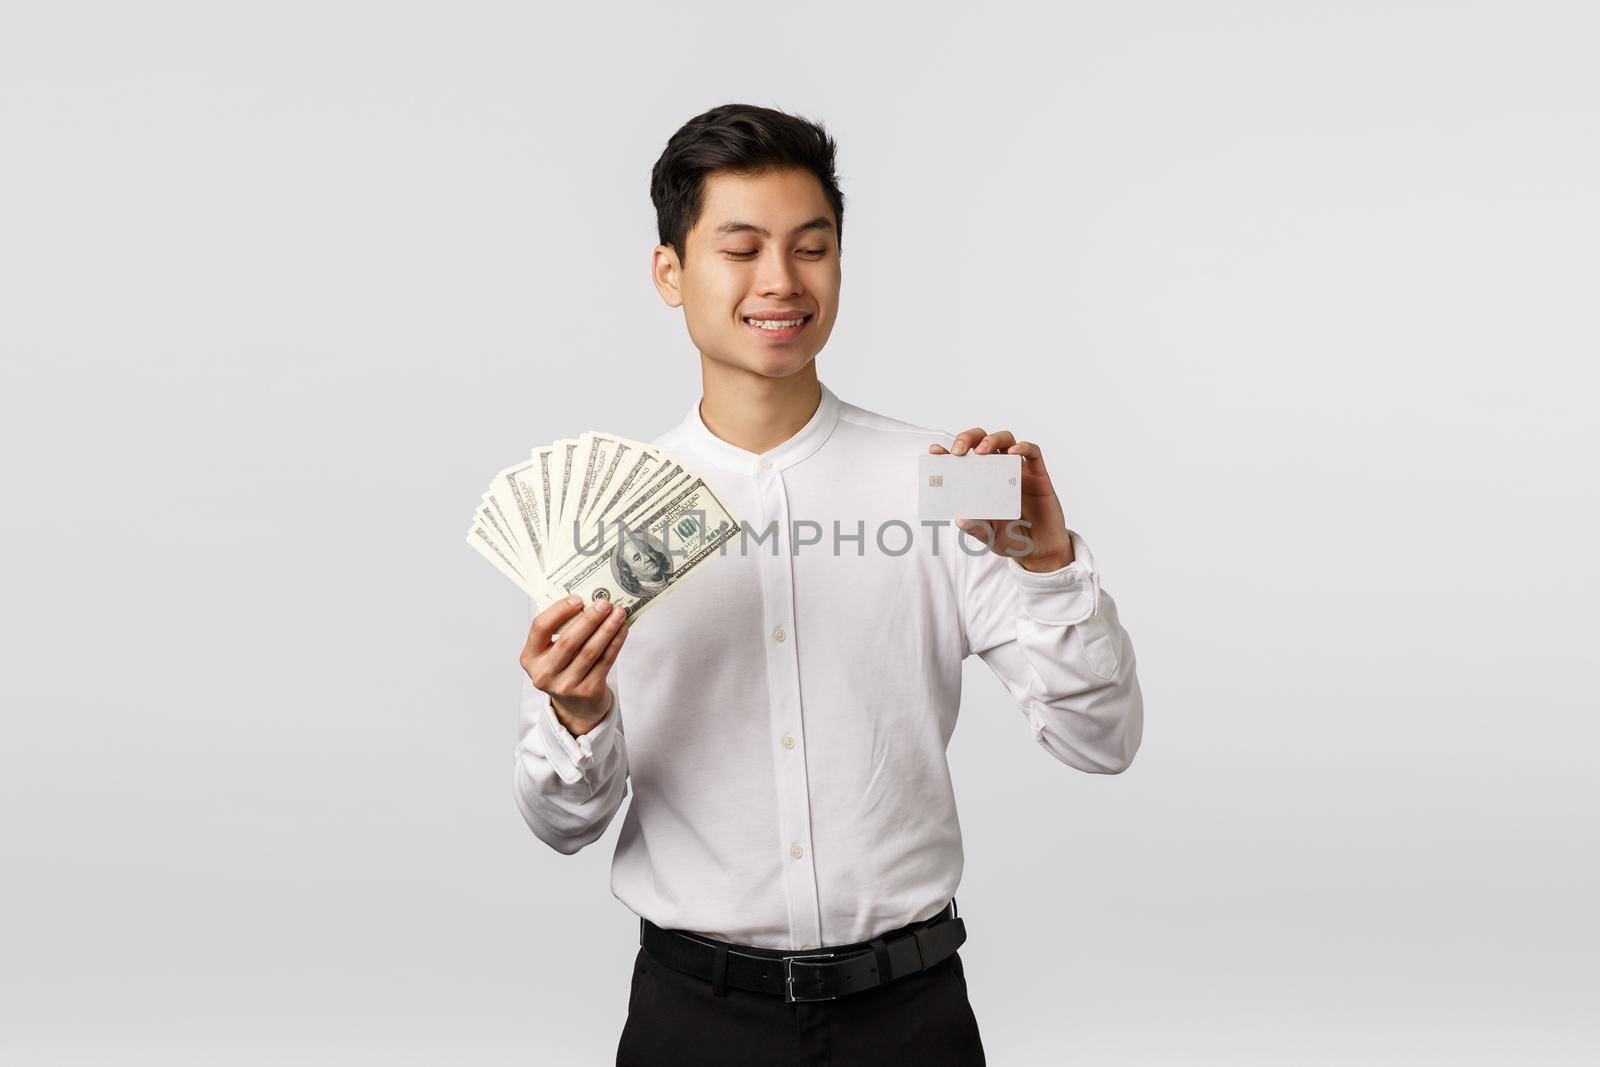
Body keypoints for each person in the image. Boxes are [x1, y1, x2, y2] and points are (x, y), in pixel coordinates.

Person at [512, 103, 1144, 1067]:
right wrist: (576, 713)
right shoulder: (612, 516)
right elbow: (564, 822)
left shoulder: (946, 487)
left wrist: (1052, 570)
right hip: (696, 1021)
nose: (781, 281)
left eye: (812, 247)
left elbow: (1103, 744)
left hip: (912, 1019)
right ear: (670, 272)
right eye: (742, 247)